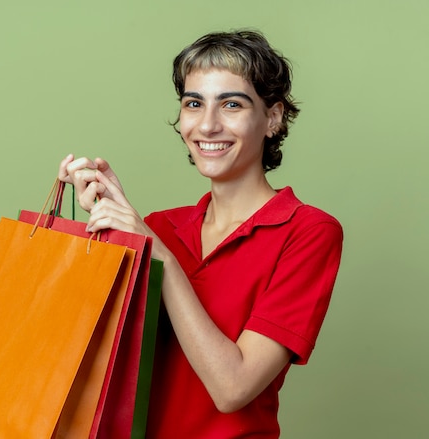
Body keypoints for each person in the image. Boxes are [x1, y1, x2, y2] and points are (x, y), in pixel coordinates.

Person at [58, 30, 343, 439]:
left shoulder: (309, 231)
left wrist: (157, 254)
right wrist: (107, 220)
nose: (208, 125)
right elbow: (97, 361)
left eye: (231, 104)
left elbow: (233, 388)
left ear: (274, 117)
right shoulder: (158, 226)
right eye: (194, 103)